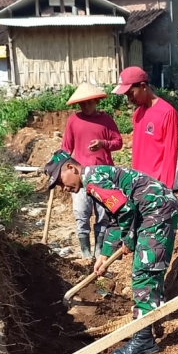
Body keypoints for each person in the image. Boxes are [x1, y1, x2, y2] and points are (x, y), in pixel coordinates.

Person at [44, 150, 178, 354]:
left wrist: (128, 239)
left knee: (144, 272)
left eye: (60, 181)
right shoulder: (94, 179)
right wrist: (104, 255)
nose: (63, 188)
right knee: (148, 267)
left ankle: (144, 338)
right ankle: (154, 311)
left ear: (71, 168)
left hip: (156, 211)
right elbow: (115, 218)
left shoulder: (92, 181)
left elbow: (126, 210)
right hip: (155, 209)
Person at [61, 82, 123, 259]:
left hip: (103, 174)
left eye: (89, 102)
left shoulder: (106, 120)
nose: (86, 106)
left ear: (96, 101)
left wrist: (103, 144)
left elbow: (118, 142)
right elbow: (66, 148)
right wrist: (57, 166)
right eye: (82, 103)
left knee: (103, 214)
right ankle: (86, 252)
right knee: (81, 212)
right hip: (79, 176)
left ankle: (99, 251)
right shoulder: (74, 120)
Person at [112, 67, 178, 190]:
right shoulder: (137, 114)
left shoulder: (167, 113)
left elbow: (170, 155)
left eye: (131, 93)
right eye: (126, 95)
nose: (129, 99)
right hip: (138, 182)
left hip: (155, 186)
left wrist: (165, 189)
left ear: (143, 86)